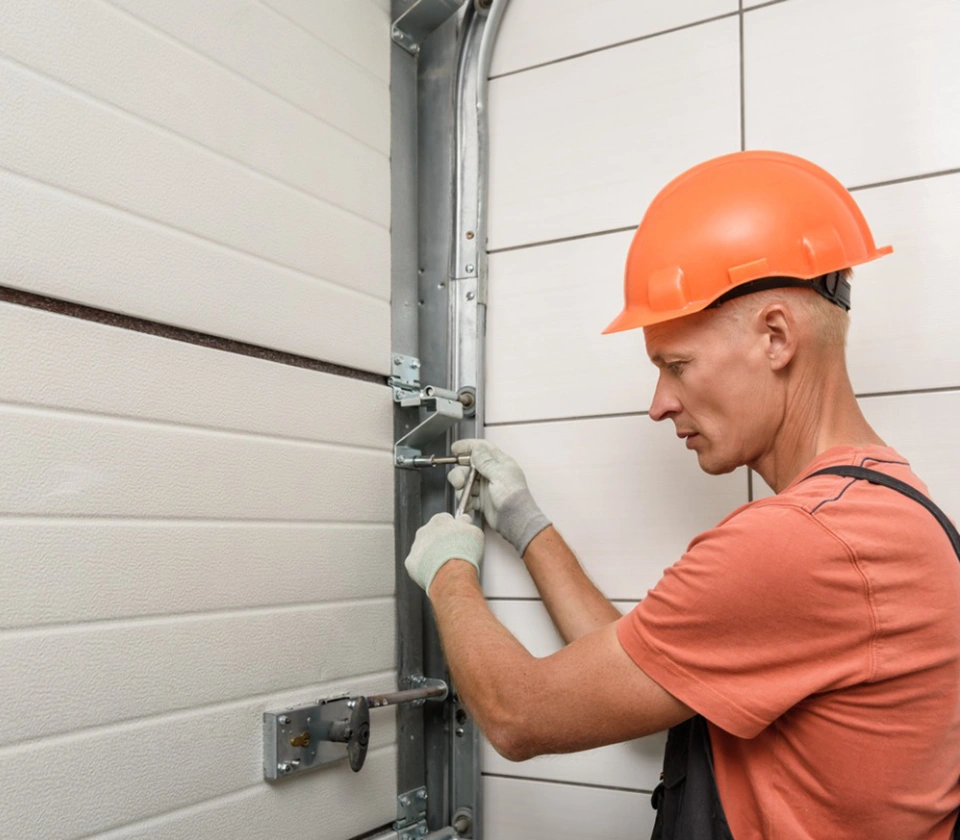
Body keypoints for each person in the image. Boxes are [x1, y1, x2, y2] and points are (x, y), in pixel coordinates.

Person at [403, 151, 960, 839]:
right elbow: (646, 658)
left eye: (677, 365)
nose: (660, 404)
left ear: (776, 337)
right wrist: (525, 524)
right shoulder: (888, 509)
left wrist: (448, 570)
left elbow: (520, 716)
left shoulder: (800, 543)